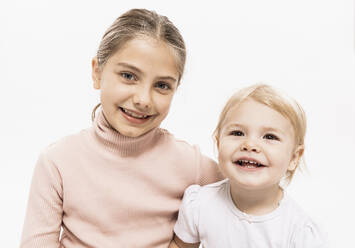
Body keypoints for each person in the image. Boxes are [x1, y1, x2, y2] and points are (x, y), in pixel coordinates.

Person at [20, 9, 222, 248]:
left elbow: (249, 209)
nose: (143, 99)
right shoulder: (57, 162)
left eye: (162, 85)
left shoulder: (193, 165)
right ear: (97, 72)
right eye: (128, 76)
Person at [170, 84, 328, 247]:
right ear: (218, 144)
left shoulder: (298, 231)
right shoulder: (200, 204)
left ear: (294, 158)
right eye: (237, 133)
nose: (250, 144)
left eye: (270, 136)